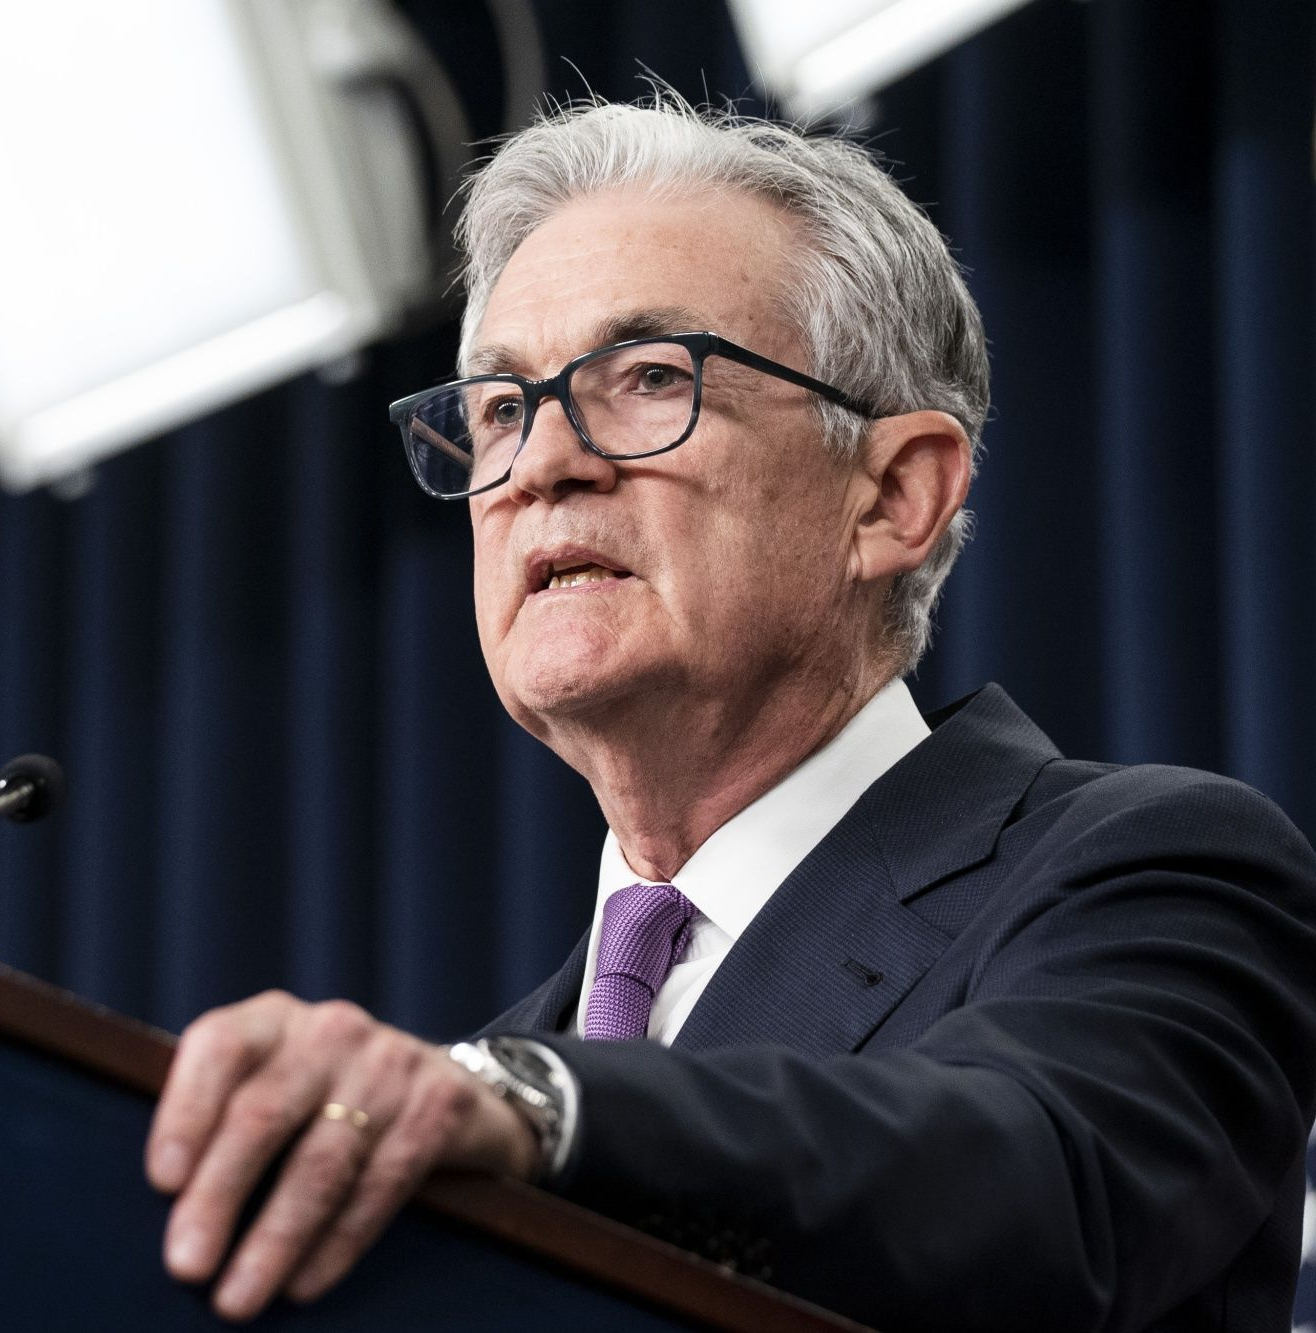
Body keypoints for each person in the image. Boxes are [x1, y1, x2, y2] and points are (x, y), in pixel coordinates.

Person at [144, 95, 1316, 1332]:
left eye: (649, 378)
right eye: (500, 408)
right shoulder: (472, 1103)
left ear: (893, 495)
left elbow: (1035, 1183)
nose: (540, 464)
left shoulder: (1151, 870)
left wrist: (545, 1107)